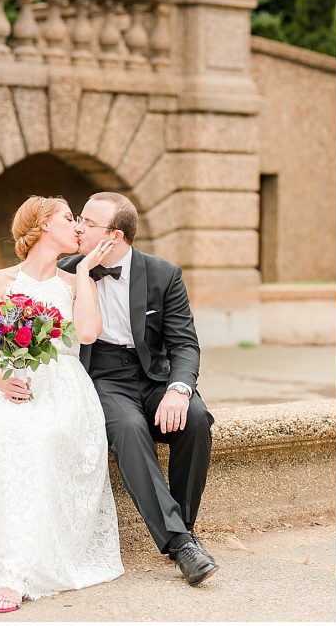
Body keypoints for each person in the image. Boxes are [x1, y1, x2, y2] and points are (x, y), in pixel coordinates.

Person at [0, 196, 123, 614]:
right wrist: (3, 382)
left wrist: (85, 273)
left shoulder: (74, 282)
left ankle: (30, 564)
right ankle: (11, 573)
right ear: (44, 225)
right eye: (70, 219)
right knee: (13, 430)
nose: (78, 227)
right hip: (9, 384)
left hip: (66, 388)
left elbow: (86, 335)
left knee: (42, 432)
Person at [59, 192, 218, 586]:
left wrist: (179, 389)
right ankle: (182, 545)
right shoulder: (67, 271)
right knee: (128, 429)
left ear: (114, 237)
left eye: (88, 222)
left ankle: (182, 528)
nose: (79, 227)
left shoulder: (163, 274)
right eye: (78, 218)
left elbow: (184, 343)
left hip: (155, 375)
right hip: (104, 376)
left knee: (195, 418)